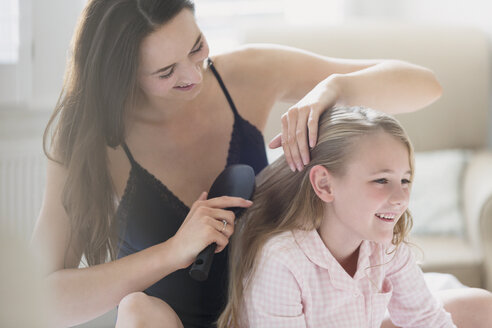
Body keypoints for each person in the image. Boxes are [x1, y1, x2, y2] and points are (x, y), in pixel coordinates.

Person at [30, 0, 445, 327]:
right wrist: (173, 251)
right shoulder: (88, 141)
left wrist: (333, 90)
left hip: (292, 310)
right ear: (120, 76)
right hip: (171, 322)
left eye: (197, 48)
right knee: (139, 312)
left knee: (477, 309)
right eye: (165, 72)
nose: (194, 76)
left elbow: (425, 85)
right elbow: (40, 302)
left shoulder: (245, 74)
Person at [219, 106, 492, 328]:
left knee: (482, 307)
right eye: (381, 180)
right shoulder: (283, 259)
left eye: (405, 180)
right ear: (325, 185)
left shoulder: (384, 246)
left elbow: (426, 319)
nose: (400, 198)